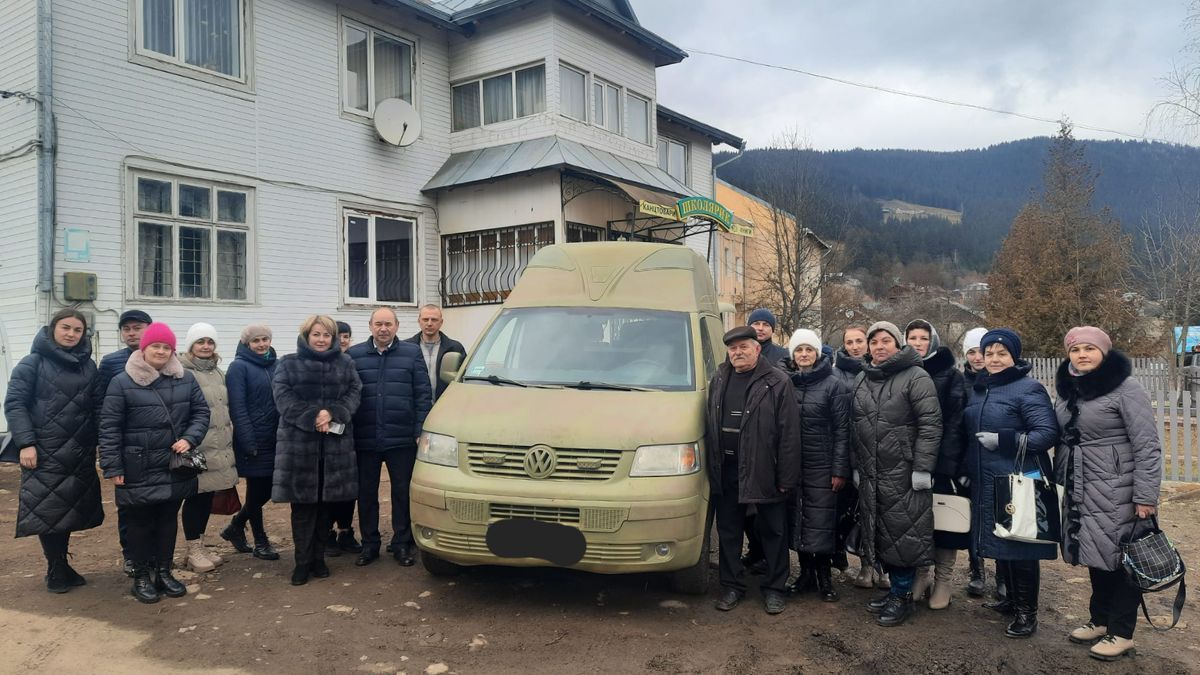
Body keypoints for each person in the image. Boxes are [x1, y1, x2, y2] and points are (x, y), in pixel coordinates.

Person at [1055, 327, 1162, 661]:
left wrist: (1145, 496)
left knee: (1123, 560)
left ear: (1104, 352)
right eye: (1075, 349)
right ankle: (1100, 620)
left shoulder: (1125, 387)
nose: (1082, 354)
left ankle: (1122, 631)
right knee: (1096, 553)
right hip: (1082, 485)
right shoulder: (1070, 390)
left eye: (1090, 348)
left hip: (1120, 487)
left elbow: (1147, 445)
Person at [99, 322, 209, 604]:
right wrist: (113, 466)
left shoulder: (185, 378)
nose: (160, 351)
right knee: (138, 523)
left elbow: (200, 412)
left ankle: (164, 571)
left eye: (166, 347)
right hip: (136, 466)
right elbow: (109, 427)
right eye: (155, 346)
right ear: (144, 348)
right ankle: (141, 575)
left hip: (173, 465)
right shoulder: (122, 382)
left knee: (167, 521)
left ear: (172, 350)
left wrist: (189, 438)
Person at [963, 328, 1059, 639]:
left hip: (1022, 478)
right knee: (1004, 539)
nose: (993, 359)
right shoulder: (981, 389)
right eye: (989, 353)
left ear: (1014, 357)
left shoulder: (1028, 388)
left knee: (1023, 546)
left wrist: (1002, 440)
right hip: (989, 478)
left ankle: (1027, 614)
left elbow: (1046, 434)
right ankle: (1010, 600)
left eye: (1001, 354)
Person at [4, 309, 105, 593]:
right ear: (52, 329)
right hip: (44, 450)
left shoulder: (88, 366)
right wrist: (25, 442)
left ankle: (61, 563)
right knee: (50, 509)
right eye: (66, 328)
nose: (71, 334)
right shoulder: (32, 363)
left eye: (77, 330)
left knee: (69, 508)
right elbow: (15, 404)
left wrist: (101, 443)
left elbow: (97, 406)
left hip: (80, 449)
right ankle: (55, 568)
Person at [705, 326, 801, 615]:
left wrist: (786, 478)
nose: (738, 352)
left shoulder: (777, 381)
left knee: (773, 531)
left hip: (764, 470)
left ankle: (774, 588)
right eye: (733, 348)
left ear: (757, 349)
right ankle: (732, 586)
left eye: (743, 347)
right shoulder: (720, 377)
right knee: (729, 531)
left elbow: (789, 434)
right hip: (727, 470)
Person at [852, 321, 941, 627]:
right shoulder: (863, 378)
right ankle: (894, 591)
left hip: (903, 471)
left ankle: (901, 596)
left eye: (885, 340)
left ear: (897, 344)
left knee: (903, 534)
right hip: (871, 471)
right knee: (881, 531)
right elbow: (854, 426)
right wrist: (855, 465)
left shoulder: (916, 376)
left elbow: (930, 425)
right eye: (873, 341)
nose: (879, 346)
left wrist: (922, 468)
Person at [272, 315, 362, 586]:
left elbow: (355, 391)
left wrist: (333, 413)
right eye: (316, 335)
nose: (321, 340)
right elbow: (282, 397)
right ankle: (302, 562)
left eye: (326, 335)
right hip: (299, 447)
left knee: (326, 507)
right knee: (302, 508)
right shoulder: (288, 364)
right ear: (306, 336)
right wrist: (314, 416)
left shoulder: (345, 363)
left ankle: (319, 558)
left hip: (335, 447)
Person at [348, 308, 433, 567]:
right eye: (378, 324)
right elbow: (349, 395)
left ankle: (402, 543)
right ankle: (370, 544)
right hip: (365, 438)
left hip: (402, 438)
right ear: (370, 326)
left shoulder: (411, 353)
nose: (383, 329)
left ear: (396, 326)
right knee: (366, 494)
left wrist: (420, 430)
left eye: (388, 324)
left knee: (401, 492)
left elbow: (422, 394)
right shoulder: (354, 355)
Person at [780, 329, 851, 602]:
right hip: (794, 464)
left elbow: (843, 431)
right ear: (793, 354)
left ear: (818, 353)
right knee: (797, 519)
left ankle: (825, 578)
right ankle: (805, 574)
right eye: (799, 350)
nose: (804, 355)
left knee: (821, 523)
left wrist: (839, 469)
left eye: (809, 349)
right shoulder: (787, 383)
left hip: (822, 464)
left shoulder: (834, 385)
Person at [904, 319, 968, 610]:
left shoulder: (950, 375)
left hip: (940, 461)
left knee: (943, 523)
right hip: (906, 461)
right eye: (912, 337)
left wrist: (946, 464)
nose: (918, 342)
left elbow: (956, 424)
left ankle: (943, 579)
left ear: (933, 341)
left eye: (923, 337)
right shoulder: (901, 371)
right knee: (914, 523)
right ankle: (921, 573)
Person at [178, 323, 238, 573]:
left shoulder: (218, 372)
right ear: (191, 345)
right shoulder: (182, 372)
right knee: (195, 497)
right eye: (200, 342)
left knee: (206, 498)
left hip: (218, 445)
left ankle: (199, 545)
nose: (205, 346)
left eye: (210, 342)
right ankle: (193, 550)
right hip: (196, 446)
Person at [98, 308, 152, 576]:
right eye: (126, 328)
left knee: (159, 505)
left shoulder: (162, 357)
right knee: (129, 506)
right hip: (126, 446)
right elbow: (101, 406)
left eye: (137, 327)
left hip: (156, 443)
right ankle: (131, 555)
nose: (131, 333)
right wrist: (109, 448)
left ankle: (155, 556)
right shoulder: (110, 363)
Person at [222, 324, 281, 561]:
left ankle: (235, 526)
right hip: (254, 439)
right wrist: (248, 441)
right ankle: (260, 540)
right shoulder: (238, 367)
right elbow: (238, 408)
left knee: (268, 489)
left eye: (265, 339)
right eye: (256, 341)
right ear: (247, 343)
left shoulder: (277, 364)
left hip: (276, 438)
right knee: (257, 492)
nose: (262, 344)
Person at [834, 324, 887, 590]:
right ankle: (866, 565)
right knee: (858, 514)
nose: (855, 346)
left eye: (859, 341)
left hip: (883, 456)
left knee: (883, 515)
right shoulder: (837, 375)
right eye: (850, 342)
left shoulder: (880, 370)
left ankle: (883, 566)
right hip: (853, 456)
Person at [959, 326, 993, 600]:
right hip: (970, 460)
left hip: (999, 460)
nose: (978, 357)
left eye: (982, 351)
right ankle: (977, 570)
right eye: (972, 351)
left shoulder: (1004, 381)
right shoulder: (961, 383)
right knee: (973, 519)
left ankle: (1004, 576)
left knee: (1003, 518)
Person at [324, 320, 363, 557]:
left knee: (350, 486)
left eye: (346, 336)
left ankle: (345, 531)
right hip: (327, 432)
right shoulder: (321, 361)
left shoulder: (355, 360)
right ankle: (326, 533)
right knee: (329, 487)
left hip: (353, 431)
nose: (343, 340)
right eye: (338, 336)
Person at [404, 304, 466, 402]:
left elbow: (462, 379)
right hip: (414, 407)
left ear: (441, 322)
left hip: (445, 405)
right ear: (419, 321)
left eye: (434, 320)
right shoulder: (406, 347)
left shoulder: (455, 348)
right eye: (425, 319)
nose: (429, 323)